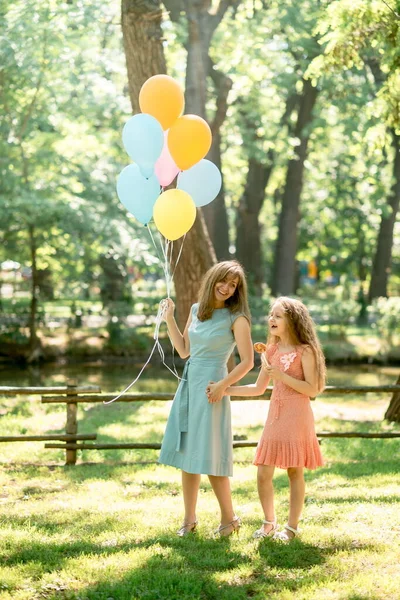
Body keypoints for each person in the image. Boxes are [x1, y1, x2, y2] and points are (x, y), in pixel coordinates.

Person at [218, 296, 325, 542]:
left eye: (278, 316)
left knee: (294, 471)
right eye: (271, 315)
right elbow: (258, 388)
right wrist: (226, 389)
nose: (271, 319)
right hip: (275, 417)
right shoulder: (272, 350)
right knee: (263, 472)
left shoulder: (305, 351)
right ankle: (269, 523)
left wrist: (281, 376)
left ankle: (291, 528)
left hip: (297, 416)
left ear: (292, 320)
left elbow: (313, 389)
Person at [158, 261, 254, 537]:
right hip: (189, 385)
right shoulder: (196, 310)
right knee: (188, 454)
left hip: (213, 387)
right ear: (212, 280)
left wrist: (223, 385)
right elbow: (185, 350)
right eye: (223, 281)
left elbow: (247, 362)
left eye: (233, 285)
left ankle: (229, 518)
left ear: (237, 290)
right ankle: (189, 520)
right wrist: (170, 318)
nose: (226, 288)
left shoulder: (238, 318)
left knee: (211, 456)